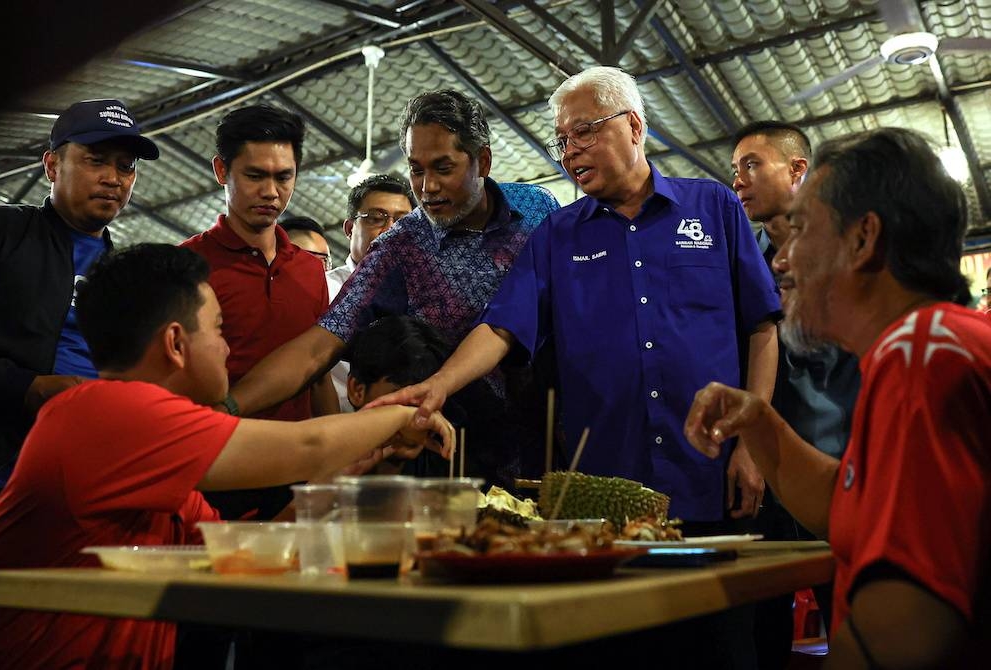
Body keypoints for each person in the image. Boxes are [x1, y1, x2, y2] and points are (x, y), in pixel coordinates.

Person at [0, 244, 453, 670]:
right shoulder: (106, 412)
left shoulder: (152, 450)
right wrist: (407, 413)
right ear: (176, 343)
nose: (228, 348)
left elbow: (233, 557)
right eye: (219, 329)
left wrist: (329, 489)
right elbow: (308, 446)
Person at [378, 67, 780, 528]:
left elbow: (762, 326)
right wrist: (440, 384)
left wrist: (752, 444)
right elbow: (502, 326)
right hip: (608, 492)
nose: (570, 152)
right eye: (562, 140)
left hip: (714, 472)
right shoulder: (557, 235)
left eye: (583, 133)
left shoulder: (713, 208)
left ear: (633, 126)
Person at [685, 127, 990, 669]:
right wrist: (759, 423)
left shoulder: (918, 356)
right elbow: (847, 509)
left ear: (862, 239)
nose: (781, 262)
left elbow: (907, 630)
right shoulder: (928, 343)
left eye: (801, 231)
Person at [227, 90, 560, 488]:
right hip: (456, 462)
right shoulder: (401, 248)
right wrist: (227, 407)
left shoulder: (539, 209)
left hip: (562, 442)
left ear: (482, 161)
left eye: (443, 168)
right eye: (416, 170)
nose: (428, 187)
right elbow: (318, 347)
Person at [731, 120, 861, 666]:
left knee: (852, 619)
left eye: (752, 165)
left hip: (845, 471)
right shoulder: (742, 261)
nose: (738, 181)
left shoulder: (853, 250)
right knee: (763, 627)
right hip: (768, 469)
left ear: (797, 170)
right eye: (734, 170)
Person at [0, 98, 159, 495]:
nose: (113, 178)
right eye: (96, 160)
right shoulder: (1, 233)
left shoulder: (125, 277)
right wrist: (27, 386)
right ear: (52, 165)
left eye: (126, 166)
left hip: (83, 476)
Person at [181, 105, 331, 520]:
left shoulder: (308, 269)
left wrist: (334, 461)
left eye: (283, 177)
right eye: (255, 176)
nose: (271, 192)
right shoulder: (186, 266)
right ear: (221, 171)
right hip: (219, 468)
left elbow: (318, 374)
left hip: (296, 468)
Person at [326, 174, 415, 413]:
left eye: (402, 222)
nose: (389, 230)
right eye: (376, 218)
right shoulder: (325, 290)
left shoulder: (424, 294)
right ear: (349, 228)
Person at [346, 316, 452, 478]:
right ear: (357, 390)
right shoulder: (313, 470)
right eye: (399, 402)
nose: (415, 420)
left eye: (426, 402)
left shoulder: (448, 481)